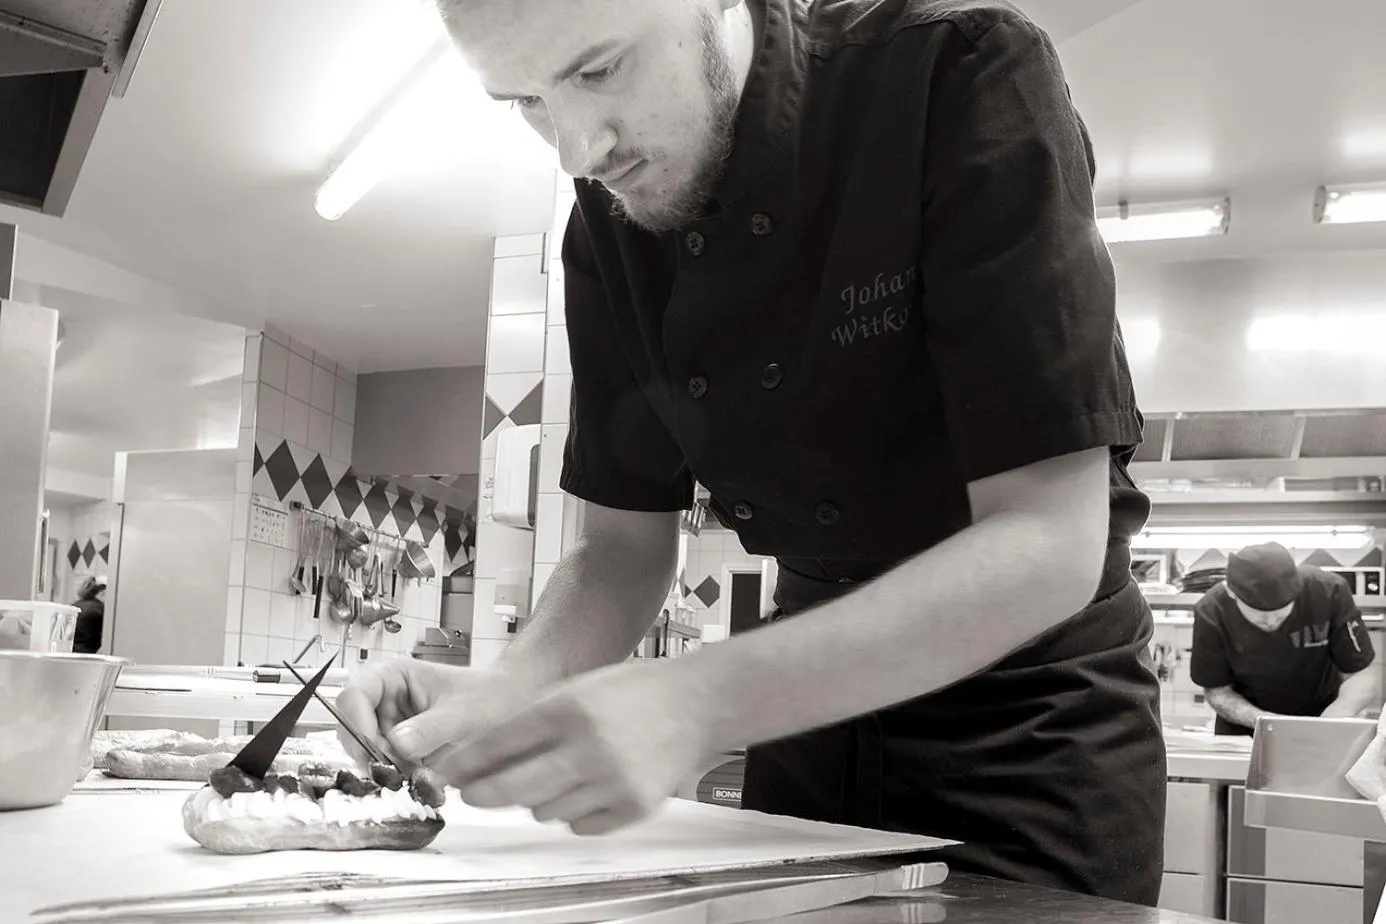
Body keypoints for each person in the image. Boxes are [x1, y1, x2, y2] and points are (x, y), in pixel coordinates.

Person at [339, 0, 1166, 904]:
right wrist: (509, 689)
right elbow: (620, 551)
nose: (578, 151)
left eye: (598, 69)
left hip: (1032, 722)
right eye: (524, 102)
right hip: (806, 721)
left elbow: (1047, 542)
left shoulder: (957, 72)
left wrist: (694, 699)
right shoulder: (607, 228)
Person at [1191, 543, 1378, 736]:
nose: (1271, 621)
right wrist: (1271, 724)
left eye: (1280, 614)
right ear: (1232, 594)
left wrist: (1334, 718)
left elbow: (1360, 675)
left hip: (1324, 720)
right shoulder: (1211, 611)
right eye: (1261, 616)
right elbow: (1218, 692)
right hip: (1246, 728)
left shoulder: (1329, 591)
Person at [71, 576, 107, 654]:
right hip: (88, 654)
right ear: (103, 592)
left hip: (70, 652)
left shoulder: (74, 606)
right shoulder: (101, 610)